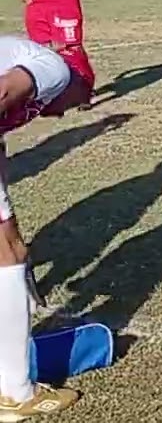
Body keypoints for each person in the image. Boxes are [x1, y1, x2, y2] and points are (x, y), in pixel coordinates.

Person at [0, 35, 93, 419]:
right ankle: (17, 394)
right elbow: (5, 91)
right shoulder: (51, 70)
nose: (62, 115)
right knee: (8, 255)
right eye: (77, 103)